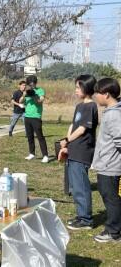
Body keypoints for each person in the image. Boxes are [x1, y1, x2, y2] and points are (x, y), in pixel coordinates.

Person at [58, 75, 98, 230]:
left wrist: (68, 141)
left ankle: (86, 220)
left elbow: (82, 129)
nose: (75, 90)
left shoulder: (91, 106)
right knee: (75, 186)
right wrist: (66, 140)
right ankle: (81, 215)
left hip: (82, 152)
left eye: (78, 87)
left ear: (86, 88)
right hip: (74, 150)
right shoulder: (79, 106)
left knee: (81, 186)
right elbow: (73, 125)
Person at [91, 78, 121, 242]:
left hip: (111, 167)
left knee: (111, 198)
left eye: (98, 93)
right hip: (110, 165)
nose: (96, 96)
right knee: (114, 198)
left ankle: (113, 231)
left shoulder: (114, 115)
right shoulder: (113, 112)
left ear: (107, 94)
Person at [19, 75, 49, 163]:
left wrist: (34, 96)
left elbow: (40, 102)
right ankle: (32, 153)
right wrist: (24, 95)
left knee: (40, 137)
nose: (31, 86)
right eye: (29, 84)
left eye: (32, 84)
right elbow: (20, 101)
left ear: (35, 83)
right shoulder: (27, 91)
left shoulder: (40, 90)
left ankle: (45, 156)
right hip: (27, 116)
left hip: (36, 117)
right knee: (30, 136)